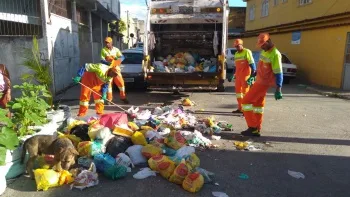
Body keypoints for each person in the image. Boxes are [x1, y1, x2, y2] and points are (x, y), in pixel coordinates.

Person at [240, 33, 283, 137]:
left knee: (245, 102)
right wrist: (252, 76)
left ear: (268, 41)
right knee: (258, 106)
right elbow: (260, 67)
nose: (262, 47)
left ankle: (252, 127)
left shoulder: (275, 54)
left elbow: (278, 72)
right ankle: (257, 128)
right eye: (261, 45)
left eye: (263, 44)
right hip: (259, 81)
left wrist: (279, 89)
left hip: (263, 83)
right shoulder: (265, 52)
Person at [100, 37, 128, 104]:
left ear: (111, 42)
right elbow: (101, 60)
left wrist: (117, 60)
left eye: (108, 42)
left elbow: (122, 57)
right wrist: (107, 62)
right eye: (106, 42)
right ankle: (109, 100)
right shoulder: (103, 50)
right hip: (108, 70)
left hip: (116, 69)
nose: (107, 44)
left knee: (121, 84)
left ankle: (123, 97)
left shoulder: (116, 50)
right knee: (109, 85)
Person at [231, 39, 256, 113]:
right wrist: (233, 74)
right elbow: (236, 66)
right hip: (238, 76)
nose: (237, 48)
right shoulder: (236, 54)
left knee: (245, 93)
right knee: (238, 93)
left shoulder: (247, 51)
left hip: (245, 76)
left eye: (238, 46)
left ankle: (247, 110)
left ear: (242, 45)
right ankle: (240, 108)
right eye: (236, 47)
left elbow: (251, 62)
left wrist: (254, 72)